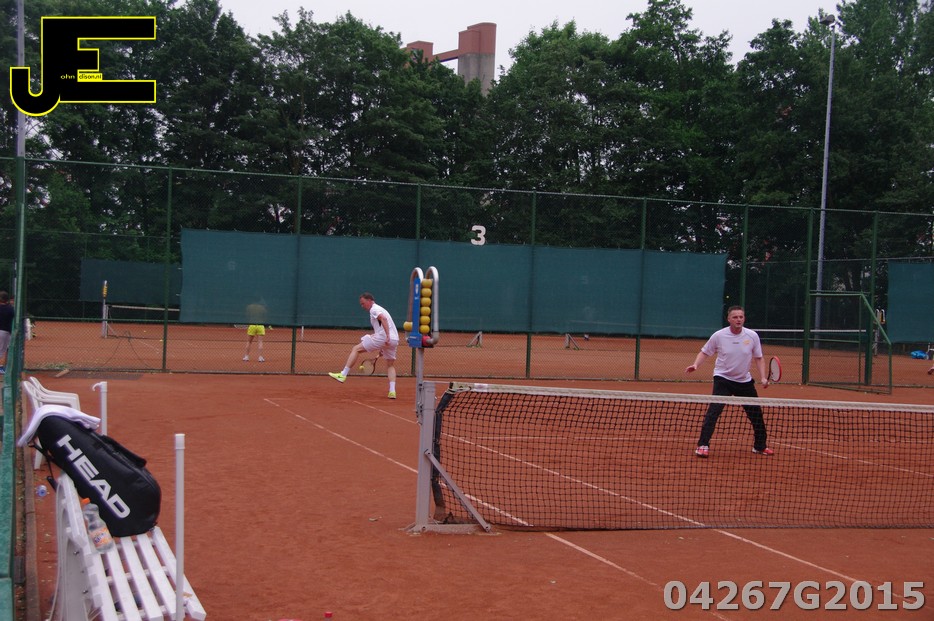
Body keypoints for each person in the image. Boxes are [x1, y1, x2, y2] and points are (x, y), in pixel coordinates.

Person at [685, 305, 773, 458]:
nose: (738, 319)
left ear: (744, 318)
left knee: (756, 415)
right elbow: (705, 352)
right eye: (735, 317)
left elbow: (759, 358)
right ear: (729, 319)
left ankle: (760, 446)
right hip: (723, 379)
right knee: (714, 412)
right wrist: (696, 365)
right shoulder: (719, 336)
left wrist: (763, 377)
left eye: (741, 317)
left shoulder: (752, 336)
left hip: (744, 381)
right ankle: (703, 445)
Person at [329, 292, 399, 399]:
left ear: (369, 301)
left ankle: (343, 374)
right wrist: (384, 345)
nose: (362, 306)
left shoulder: (374, 309)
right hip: (394, 340)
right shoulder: (381, 308)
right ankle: (392, 391)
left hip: (385, 337)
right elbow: (384, 325)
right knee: (390, 365)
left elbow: (383, 319)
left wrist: (387, 336)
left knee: (356, 349)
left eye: (363, 303)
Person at [0, 292, 14, 374]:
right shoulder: (10, 308)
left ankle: (3, 367)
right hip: (4, 331)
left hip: (4, 331)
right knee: (2, 350)